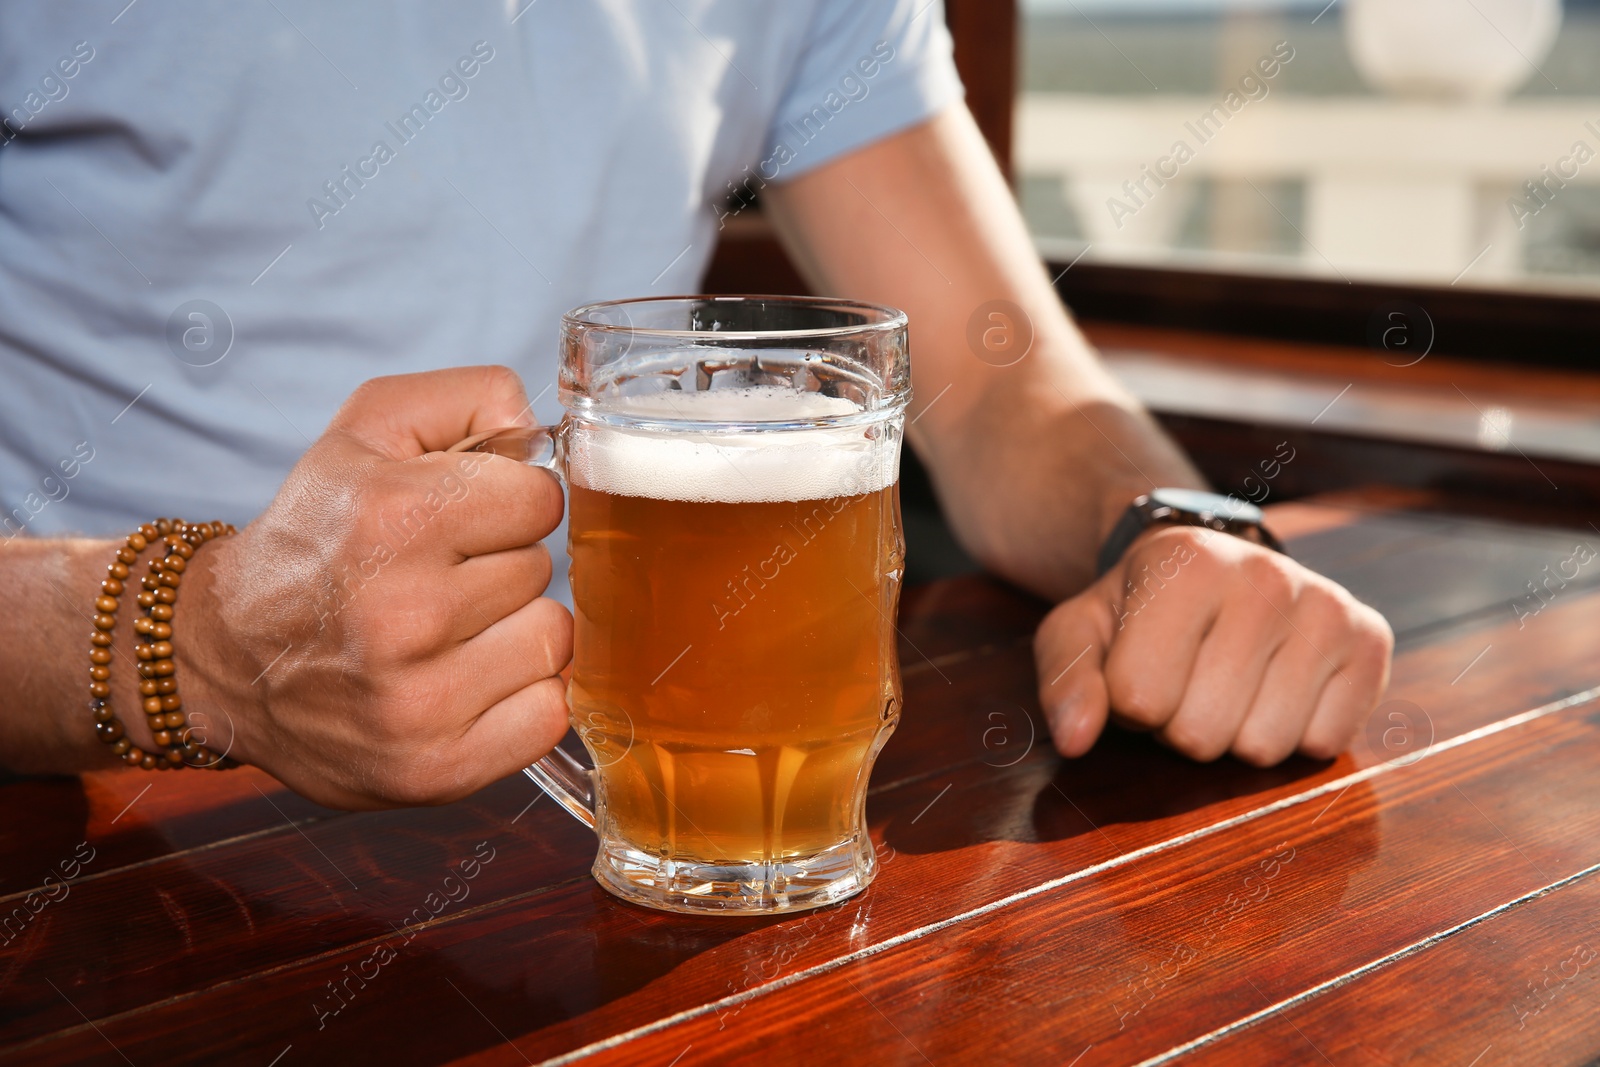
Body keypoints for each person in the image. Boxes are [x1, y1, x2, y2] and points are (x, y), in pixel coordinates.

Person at [0, 1, 1391, 807]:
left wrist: (1175, 527)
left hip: (595, 832)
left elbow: (1000, 387)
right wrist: (196, 645)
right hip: (101, 843)